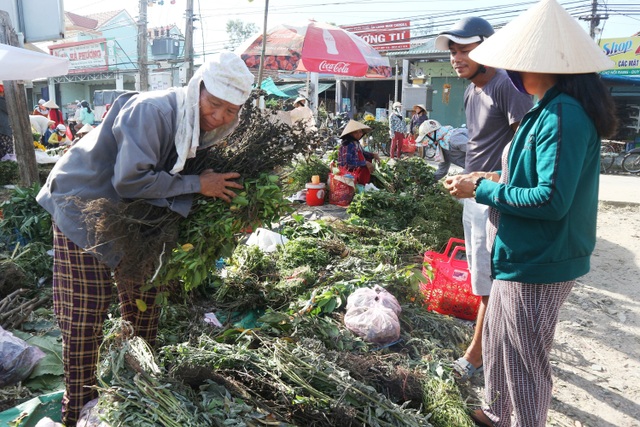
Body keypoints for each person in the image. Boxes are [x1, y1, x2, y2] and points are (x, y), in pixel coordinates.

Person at [36, 52, 254, 426]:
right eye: (214, 104)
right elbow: (130, 180)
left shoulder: (203, 128)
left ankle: (137, 392)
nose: (219, 116)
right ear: (196, 89)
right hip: (82, 203)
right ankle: (78, 410)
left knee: (144, 301)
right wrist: (198, 186)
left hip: (129, 215)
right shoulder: (152, 111)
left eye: (230, 110)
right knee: (87, 311)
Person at [443, 0, 618, 425]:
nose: (510, 70)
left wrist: (482, 188)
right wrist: (493, 176)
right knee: (501, 341)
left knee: (525, 360)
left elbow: (549, 200)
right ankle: (498, 412)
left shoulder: (563, 116)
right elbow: (531, 177)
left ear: (537, 63)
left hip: (541, 259)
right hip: (518, 252)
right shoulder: (545, 107)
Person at [434, 16, 533, 381]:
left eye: (465, 49)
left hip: (494, 199)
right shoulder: (471, 89)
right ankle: (486, 349)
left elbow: (528, 154)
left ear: (487, 48)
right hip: (472, 196)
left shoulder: (508, 87)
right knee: (481, 281)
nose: (456, 57)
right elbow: (481, 144)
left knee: (491, 283)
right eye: (453, 51)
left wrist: (488, 182)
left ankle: (476, 356)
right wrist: (461, 176)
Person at [337, 120, 380, 185]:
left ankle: (364, 182)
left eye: (360, 132)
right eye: (356, 132)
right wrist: (365, 163)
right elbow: (347, 164)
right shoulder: (347, 144)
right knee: (366, 163)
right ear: (350, 134)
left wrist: (373, 155)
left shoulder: (355, 142)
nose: (359, 134)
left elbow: (363, 153)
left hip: (356, 171)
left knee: (367, 159)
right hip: (348, 174)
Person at [0, 83, 13, 159]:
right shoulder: (3, 101)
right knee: (7, 151)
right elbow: (10, 110)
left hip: (3, 129)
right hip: (4, 129)